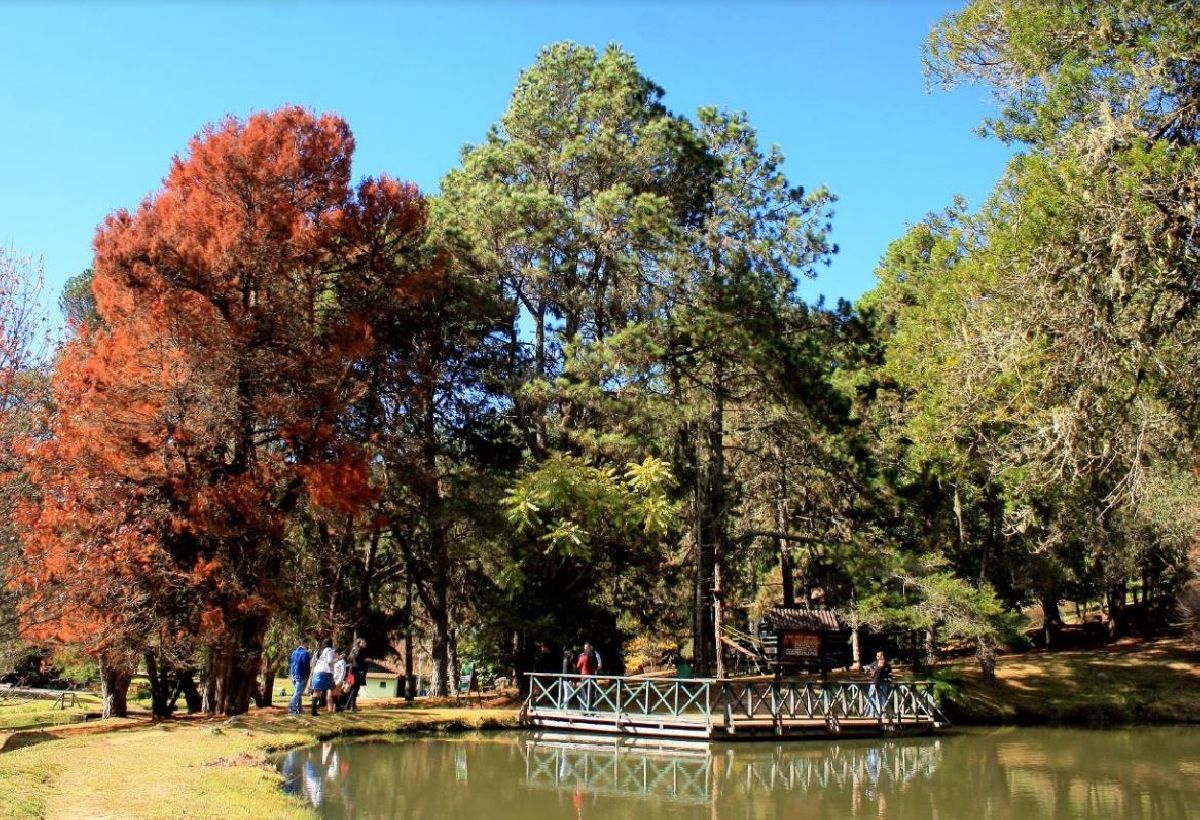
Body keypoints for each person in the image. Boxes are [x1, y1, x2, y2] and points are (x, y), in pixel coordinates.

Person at [310, 638, 337, 715]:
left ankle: (313, 711)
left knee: (317, 691)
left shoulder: (318, 651)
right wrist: (337, 659)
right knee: (333, 688)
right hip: (325, 672)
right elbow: (329, 661)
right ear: (331, 643)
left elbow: (313, 662)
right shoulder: (329, 650)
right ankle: (337, 708)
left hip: (316, 672)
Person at [575, 642, 602, 712]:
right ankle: (591, 709)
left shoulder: (582, 657)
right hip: (592, 677)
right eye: (585, 647)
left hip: (585, 677)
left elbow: (578, 666)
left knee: (585, 694)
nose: (585, 649)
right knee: (592, 694)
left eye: (586, 648)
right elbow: (597, 666)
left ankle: (584, 709)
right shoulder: (593, 656)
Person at [287, 638, 311, 715]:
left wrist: (291, 675)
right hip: (301, 676)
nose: (308, 645)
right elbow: (306, 666)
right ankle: (291, 709)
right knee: (297, 693)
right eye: (308, 644)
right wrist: (307, 676)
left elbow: (292, 664)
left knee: (297, 693)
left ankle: (299, 709)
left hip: (294, 675)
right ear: (305, 643)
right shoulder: (305, 653)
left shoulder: (294, 652)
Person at [866, 650, 893, 718]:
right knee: (872, 697)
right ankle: (873, 713)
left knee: (883, 698)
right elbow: (871, 674)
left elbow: (889, 675)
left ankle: (882, 714)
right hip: (874, 683)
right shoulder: (874, 664)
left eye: (880, 656)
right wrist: (877, 668)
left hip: (883, 683)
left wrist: (888, 677)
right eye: (878, 656)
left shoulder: (887, 665)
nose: (879, 657)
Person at [345, 638, 367, 712]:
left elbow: (349, 660)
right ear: (359, 643)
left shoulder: (353, 650)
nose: (365, 644)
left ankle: (349, 705)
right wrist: (365, 660)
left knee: (351, 689)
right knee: (355, 689)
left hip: (351, 672)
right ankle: (351, 706)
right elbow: (357, 659)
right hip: (356, 672)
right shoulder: (359, 650)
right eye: (363, 642)